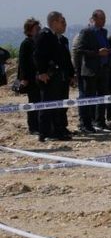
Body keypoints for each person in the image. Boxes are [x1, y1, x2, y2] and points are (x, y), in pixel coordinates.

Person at [34, 11, 76, 142]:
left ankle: (59, 130)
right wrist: (42, 72)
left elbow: (65, 59)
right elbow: (38, 55)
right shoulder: (44, 36)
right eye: (61, 21)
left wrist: (70, 75)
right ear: (54, 22)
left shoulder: (59, 38)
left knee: (59, 105)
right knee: (48, 105)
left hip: (60, 77)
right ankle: (45, 132)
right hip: (49, 77)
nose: (63, 23)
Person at [73, 9, 111, 133]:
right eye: (101, 19)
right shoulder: (86, 31)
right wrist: (97, 53)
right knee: (88, 98)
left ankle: (100, 122)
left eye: (105, 18)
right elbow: (80, 50)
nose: (104, 21)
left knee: (102, 97)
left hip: (103, 69)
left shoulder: (104, 32)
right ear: (94, 19)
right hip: (90, 70)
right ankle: (86, 124)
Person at [17, 18, 42, 134]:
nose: (39, 30)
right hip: (31, 79)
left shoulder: (39, 42)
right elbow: (22, 63)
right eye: (36, 28)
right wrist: (24, 79)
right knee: (33, 102)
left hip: (39, 77)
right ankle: (33, 127)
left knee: (41, 102)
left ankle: (41, 125)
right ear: (30, 30)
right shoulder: (26, 43)